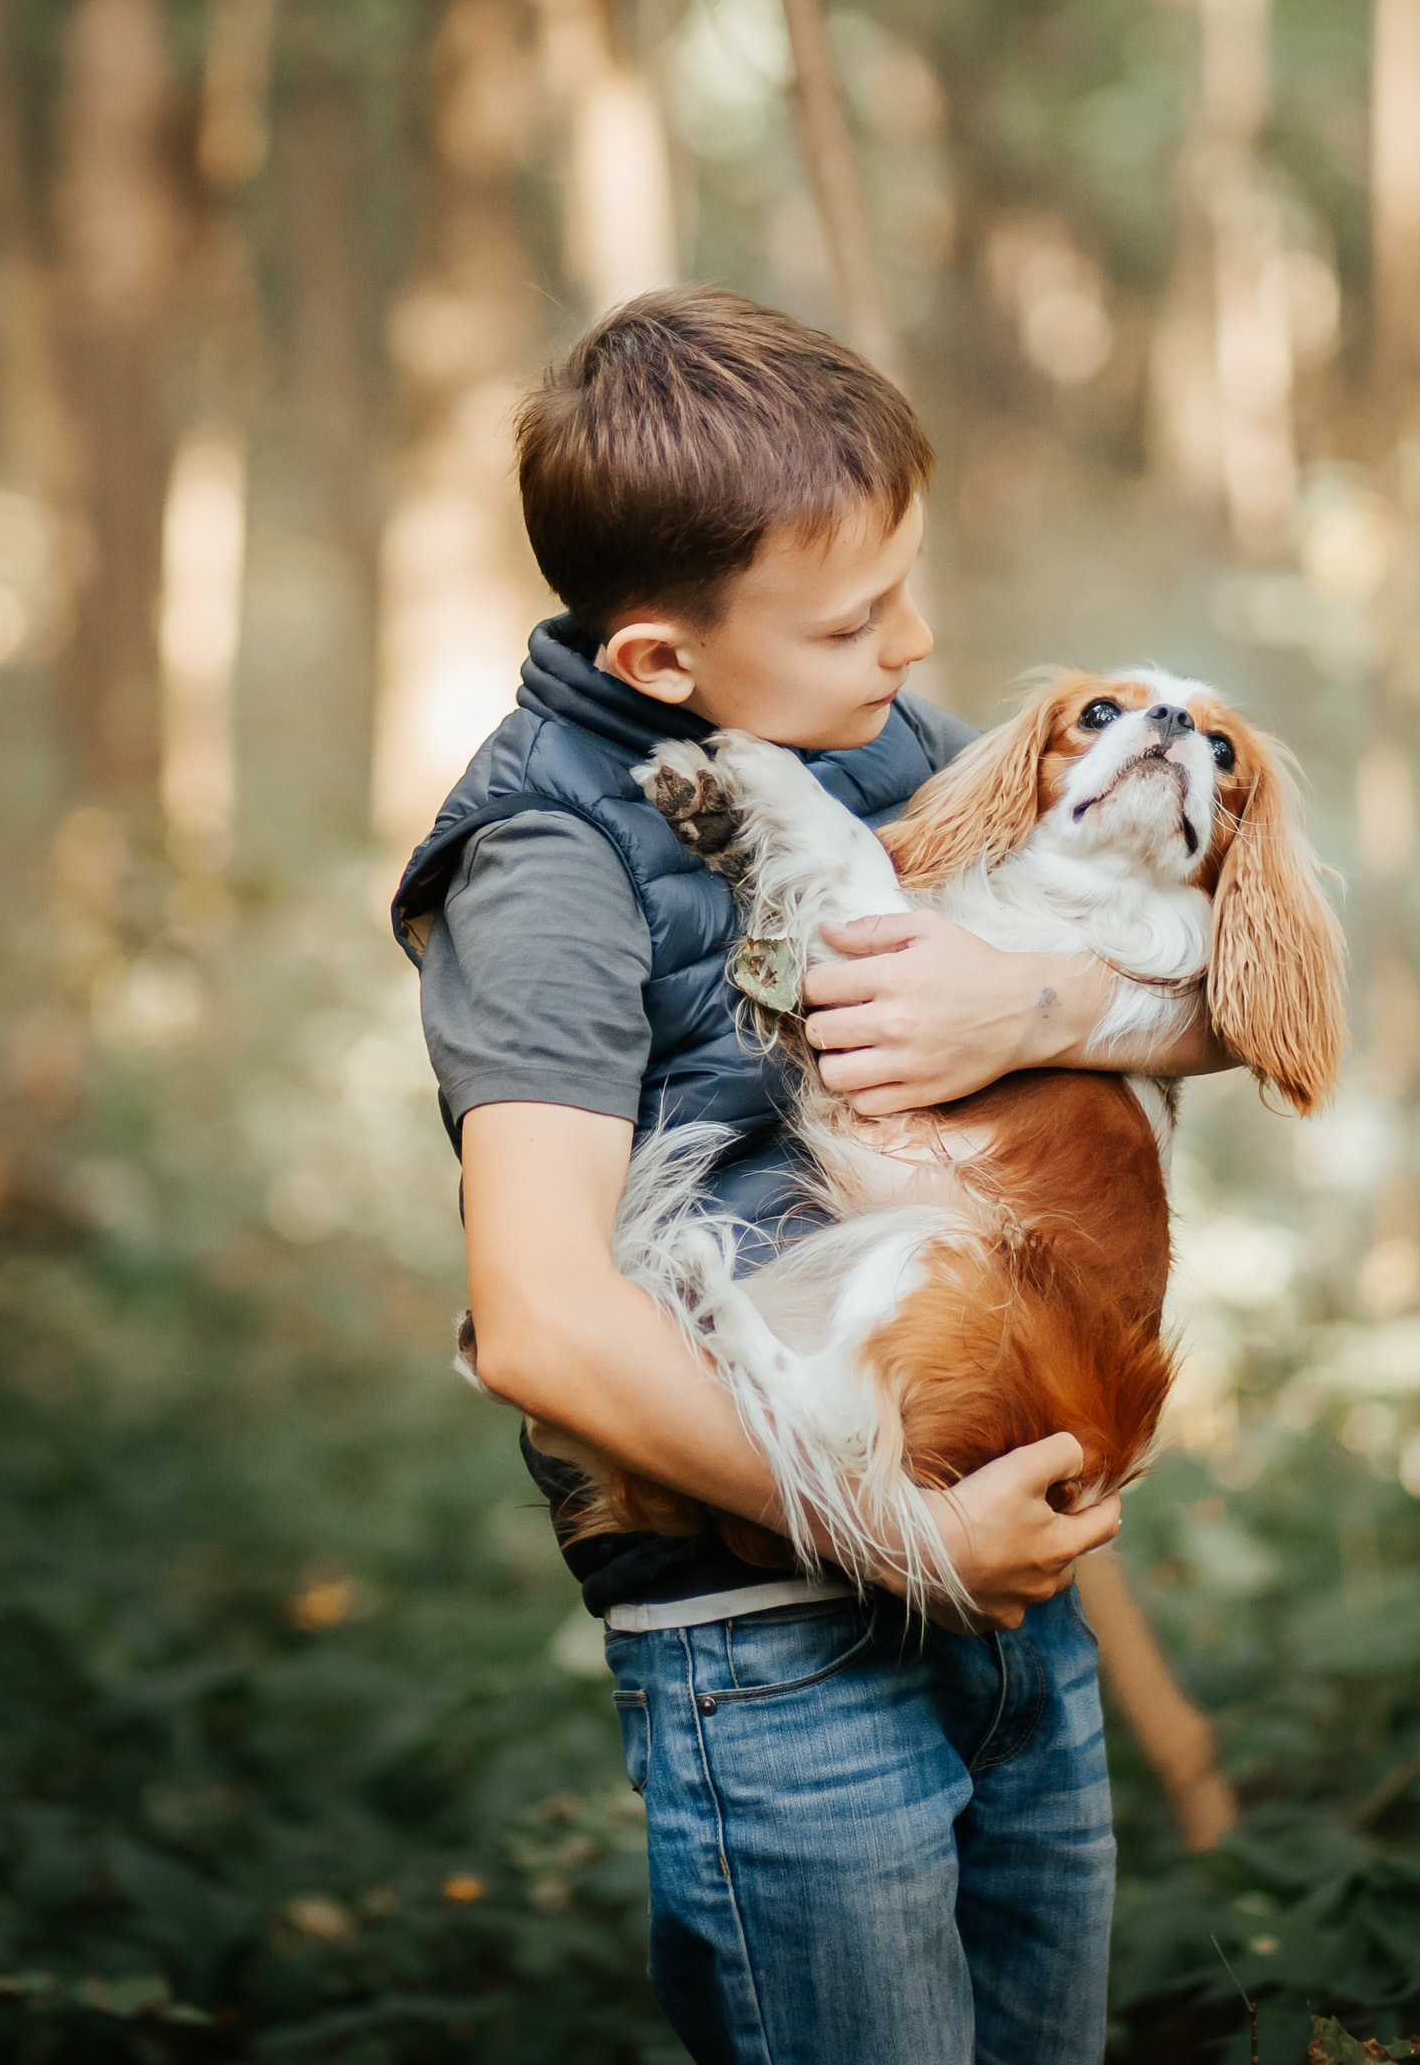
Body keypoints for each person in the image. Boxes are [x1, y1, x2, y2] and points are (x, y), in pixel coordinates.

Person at [391, 285, 1229, 2065]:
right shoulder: (544, 867)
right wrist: (909, 1538)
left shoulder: (860, 735)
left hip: (1017, 1593)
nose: (915, 646)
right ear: (658, 664)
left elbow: (1235, 998)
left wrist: (1038, 1001)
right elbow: (541, 1326)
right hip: (783, 1646)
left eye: (908, 589)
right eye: (859, 618)